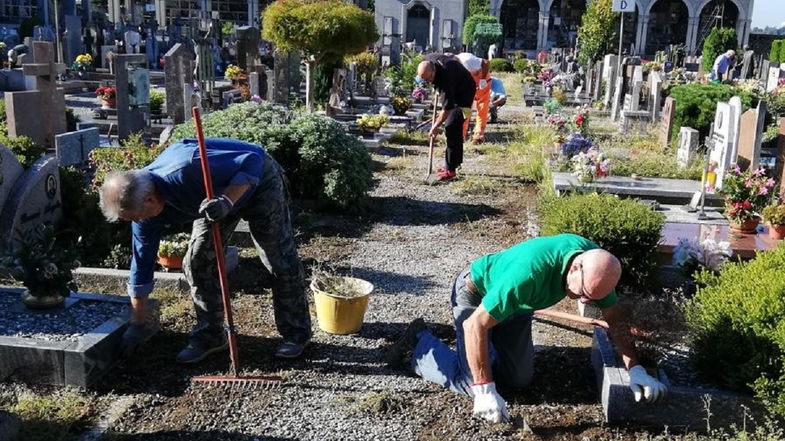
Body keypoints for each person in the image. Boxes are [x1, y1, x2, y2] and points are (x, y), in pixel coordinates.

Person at [385, 234, 668, 423]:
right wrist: (484, 389)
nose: (584, 301)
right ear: (574, 268)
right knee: (470, 383)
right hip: (476, 296)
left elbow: (616, 320)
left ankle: (480, 356)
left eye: (591, 298)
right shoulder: (527, 276)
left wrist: (636, 369)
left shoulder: (596, 268)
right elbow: (475, 324)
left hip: (517, 307)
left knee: (519, 380)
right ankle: (419, 346)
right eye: (582, 293)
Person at [98, 138, 312, 363]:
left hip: (258, 183)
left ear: (150, 199)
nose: (138, 222)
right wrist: (138, 322)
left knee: (277, 257)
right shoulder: (142, 210)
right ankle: (211, 335)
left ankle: (296, 333)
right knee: (197, 261)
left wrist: (227, 201)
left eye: (138, 217)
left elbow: (253, 159)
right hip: (212, 202)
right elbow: (141, 263)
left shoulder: (186, 168)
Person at [416, 54, 475, 181]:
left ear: (434, 70)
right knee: (452, 126)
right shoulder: (428, 60)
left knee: (452, 126)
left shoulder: (445, 79)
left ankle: (451, 170)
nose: (429, 81)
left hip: (465, 93)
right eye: (426, 80)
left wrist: (435, 126)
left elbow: (447, 109)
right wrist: (433, 85)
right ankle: (453, 163)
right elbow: (451, 57)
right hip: (455, 81)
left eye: (430, 78)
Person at [456, 52, 491, 144]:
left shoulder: (467, 60)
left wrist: (483, 79)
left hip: (481, 78)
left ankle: (479, 133)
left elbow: (485, 62)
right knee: (465, 106)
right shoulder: (451, 69)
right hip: (466, 81)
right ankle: (462, 134)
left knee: (482, 105)